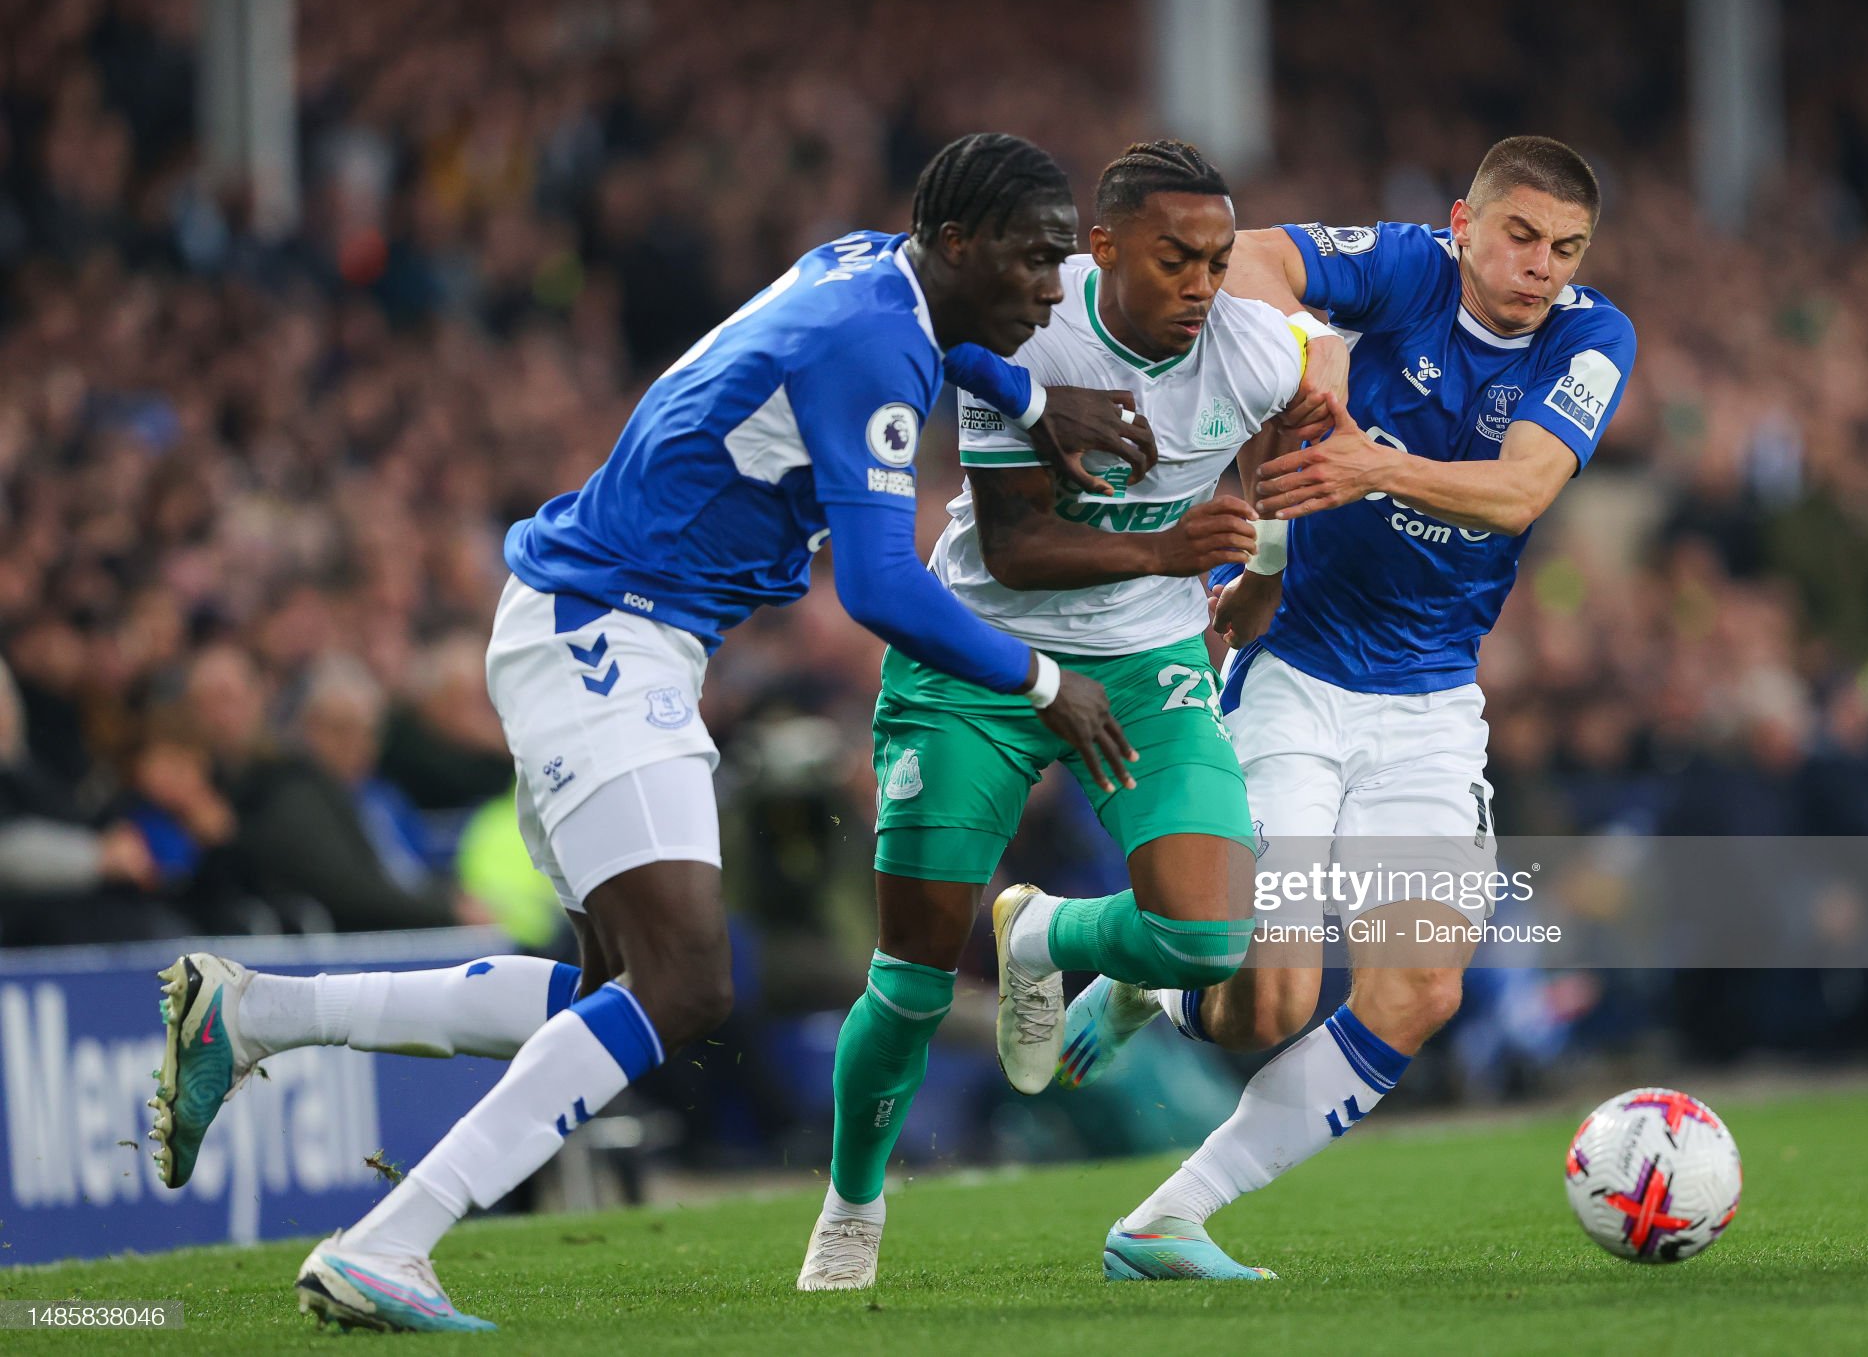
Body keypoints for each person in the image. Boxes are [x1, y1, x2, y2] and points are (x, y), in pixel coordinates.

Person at [144, 132, 1150, 1333]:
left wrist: (1028, 399)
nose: (1050, 289)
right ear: (957, 241)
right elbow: (880, 586)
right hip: (606, 633)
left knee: (611, 994)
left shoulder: (872, 270)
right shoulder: (871, 345)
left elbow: (945, 337)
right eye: (1034, 260)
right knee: (683, 982)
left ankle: (255, 1016)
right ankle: (385, 1244)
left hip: (598, 620)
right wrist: (1042, 682)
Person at [1062, 136, 1638, 1281]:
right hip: (1296, 672)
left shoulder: (1590, 337)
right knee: (1264, 1002)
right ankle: (1107, 952)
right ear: (1463, 224)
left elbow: (1521, 489)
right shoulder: (1403, 269)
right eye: (1519, 236)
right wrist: (1308, 336)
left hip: (1429, 702)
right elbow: (1252, 256)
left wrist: (1373, 466)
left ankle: (1167, 1218)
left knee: (1418, 992)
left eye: (1565, 249)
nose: (1539, 267)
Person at [796, 140, 1323, 1290]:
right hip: (979, 661)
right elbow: (1015, 547)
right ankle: (851, 1204)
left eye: (1217, 261)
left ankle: (1042, 934)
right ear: (1102, 248)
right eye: (1174, 259)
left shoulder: (1250, 345)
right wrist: (1171, 550)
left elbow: (1299, 426)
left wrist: (1267, 569)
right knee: (910, 979)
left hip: (1145, 665)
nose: (1201, 284)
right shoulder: (1029, 326)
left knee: (1207, 939)